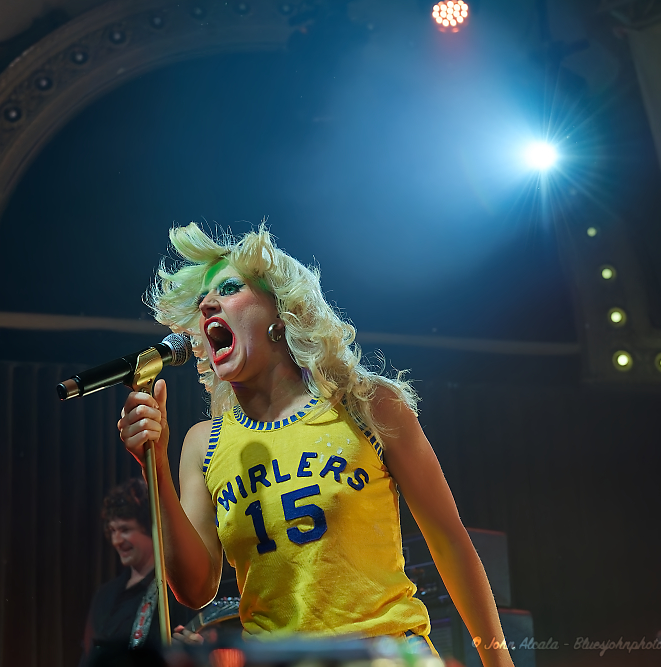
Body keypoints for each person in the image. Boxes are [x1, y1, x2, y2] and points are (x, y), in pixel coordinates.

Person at [117, 223, 515, 667]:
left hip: (383, 656)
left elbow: (449, 542)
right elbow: (194, 589)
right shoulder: (202, 443)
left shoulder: (367, 405)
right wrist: (152, 463)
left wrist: (499, 662)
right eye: (202, 301)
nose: (209, 303)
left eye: (230, 289)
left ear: (280, 312)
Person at [79, 479, 195, 666]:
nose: (116, 540)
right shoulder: (104, 595)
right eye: (112, 530)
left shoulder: (174, 590)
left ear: (150, 528)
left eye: (125, 530)